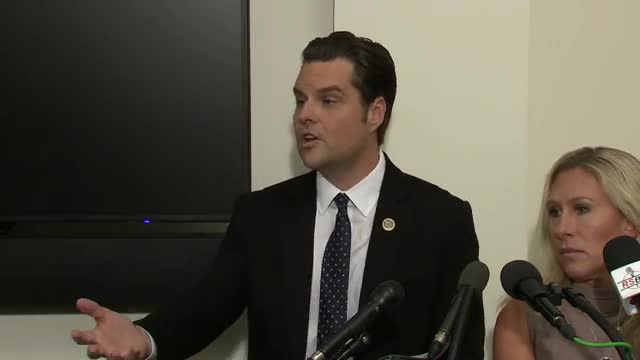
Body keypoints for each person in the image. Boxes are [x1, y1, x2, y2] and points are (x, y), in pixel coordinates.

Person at [71, 31, 484, 360]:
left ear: (375, 113)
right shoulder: (262, 215)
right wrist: (145, 336)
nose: (305, 114)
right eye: (301, 100)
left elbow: (459, 349)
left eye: (328, 100)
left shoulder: (441, 221)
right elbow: (206, 309)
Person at [493, 146, 640, 360]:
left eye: (581, 209)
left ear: (630, 222)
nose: (562, 229)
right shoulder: (525, 313)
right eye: (554, 212)